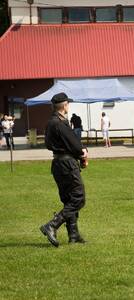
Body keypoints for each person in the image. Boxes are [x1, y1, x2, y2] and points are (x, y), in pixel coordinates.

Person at [40, 92, 88, 247]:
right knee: (78, 198)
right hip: (67, 164)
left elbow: (49, 144)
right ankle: (52, 225)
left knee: (69, 199)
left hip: (58, 163)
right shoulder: (60, 123)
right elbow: (75, 145)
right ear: (65, 105)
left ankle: (73, 235)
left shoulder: (51, 122)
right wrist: (83, 153)